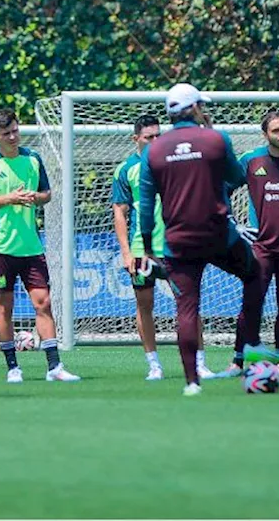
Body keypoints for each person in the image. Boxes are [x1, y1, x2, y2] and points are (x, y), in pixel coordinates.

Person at [138, 83, 270, 396]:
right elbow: (238, 177)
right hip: (218, 236)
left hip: (178, 242)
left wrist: (147, 249)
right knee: (256, 274)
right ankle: (250, 350)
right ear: (196, 108)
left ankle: (191, 383)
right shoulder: (214, 139)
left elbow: (145, 206)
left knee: (187, 309)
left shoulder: (154, 150)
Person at [0, 109, 79, 384]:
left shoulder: (33, 159)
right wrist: (8, 199)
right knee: (4, 306)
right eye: (7, 133)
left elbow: (47, 194)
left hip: (31, 247)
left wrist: (35, 197)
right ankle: (12, 368)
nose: (13, 136)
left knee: (43, 303)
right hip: (1, 247)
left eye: (16, 130)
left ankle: (54, 366)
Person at [110, 114, 213, 381]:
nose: (155, 141)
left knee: (188, 304)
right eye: (149, 137)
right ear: (136, 139)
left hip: (176, 244)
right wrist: (125, 252)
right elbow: (119, 213)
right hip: (141, 249)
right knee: (145, 304)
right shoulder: (126, 169)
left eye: (158, 135)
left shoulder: (172, 160)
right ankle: (153, 365)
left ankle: (199, 363)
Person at [233, 111, 279, 377]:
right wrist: (231, 222)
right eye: (276, 130)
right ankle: (238, 360)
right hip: (260, 247)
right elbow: (223, 187)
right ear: (265, 135)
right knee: (252, 304)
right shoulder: (252, 160)